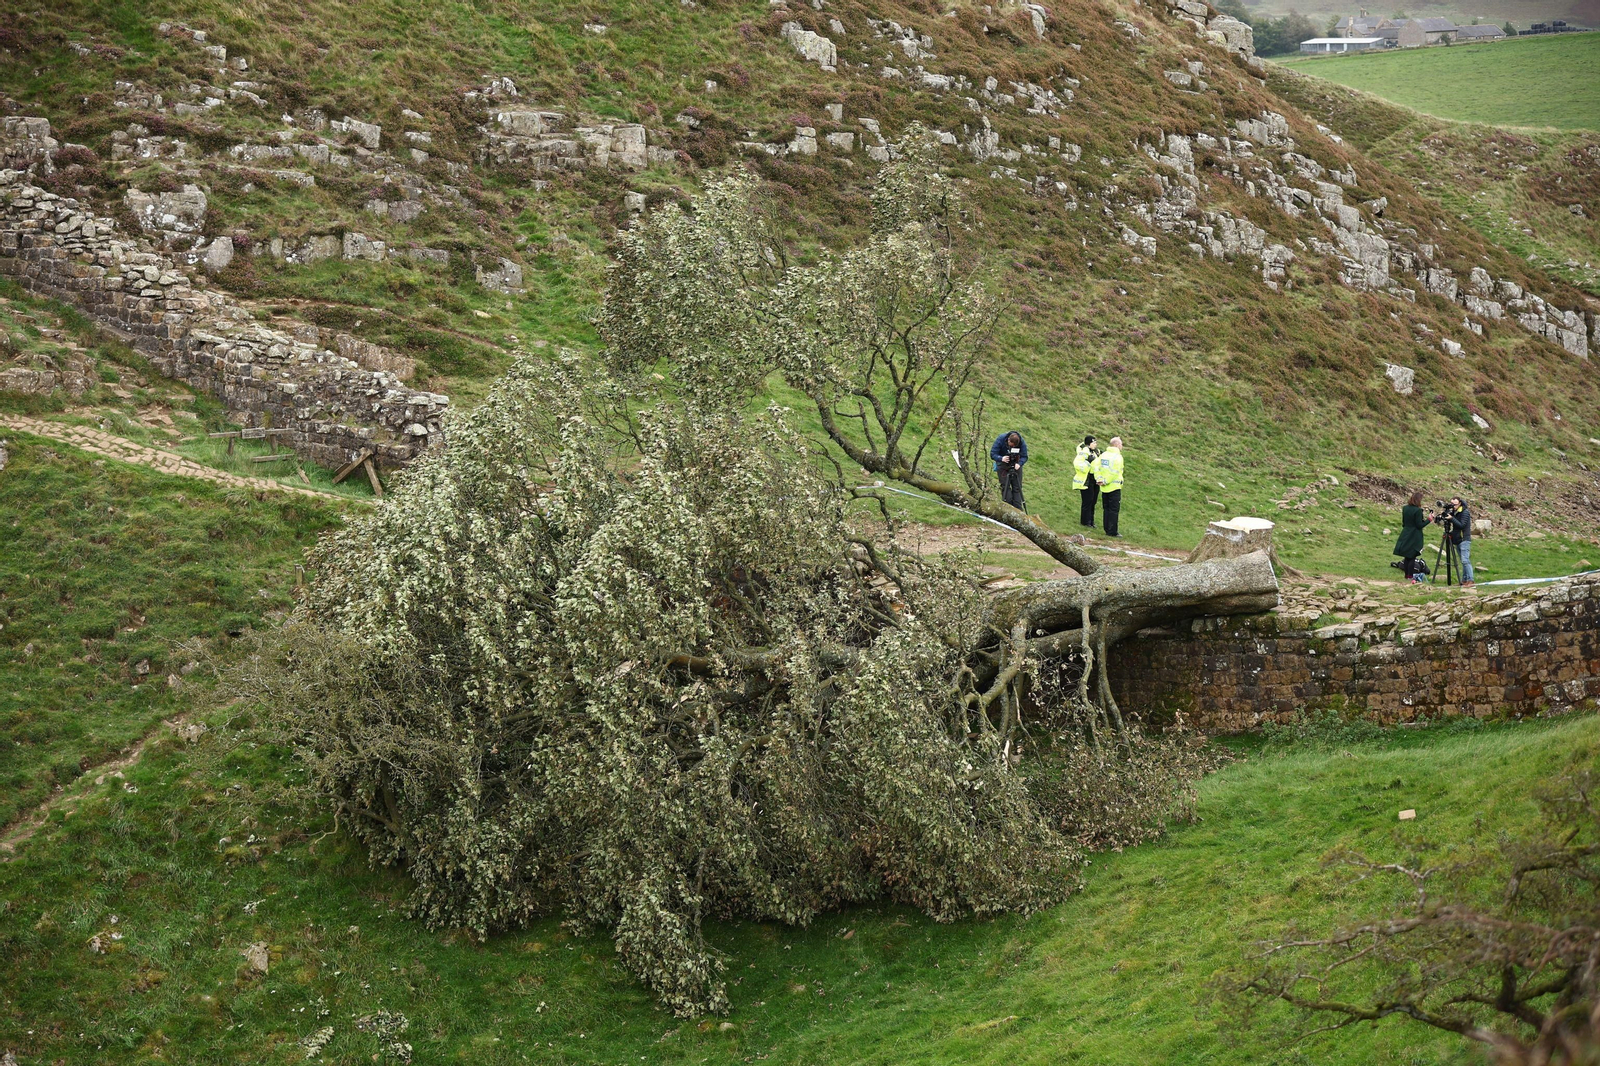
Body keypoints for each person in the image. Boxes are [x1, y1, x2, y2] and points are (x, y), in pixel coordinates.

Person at [1433, 496, 1475, 587]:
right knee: (1462, 561)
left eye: (1454, 504)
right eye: (1452, 504)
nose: (1453, 506)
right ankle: (1464, 581)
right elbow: (1450, 521)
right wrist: (1439, 518)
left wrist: (1451, 518)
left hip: (1464, 539)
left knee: (1465, 560)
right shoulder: (1454, 512)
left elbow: (1461, 525)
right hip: (1457, 539)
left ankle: (1471, 580)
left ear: (1460, 503)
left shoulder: (1465, 512)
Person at [1394, 491, 1428, 582]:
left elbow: (1404, 523)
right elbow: (1419, 525)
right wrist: (1429, 520)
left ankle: (1406, 575)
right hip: (1414, 535)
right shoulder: (1418, 510)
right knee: (1412, 556)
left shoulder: (1405, 508)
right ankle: (1410, 576)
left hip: (1406, 532)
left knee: (1407, 556)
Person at [1094, 437, 1125, 537]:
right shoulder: (1118, 457)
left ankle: (1107, 529)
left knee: (1106, 509)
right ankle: (1112, 531)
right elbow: (1114, 472)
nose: (1122, 446)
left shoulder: (1103, 455)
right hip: (1114, 486)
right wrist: (1106, 481)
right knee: (1114, 510)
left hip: (1103, 487)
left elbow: (1096, 467)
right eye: (1121, 444)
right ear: (1117, 445)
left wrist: (1099, 479)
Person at [990, 430, 1028, 511]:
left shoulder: (1022, 442)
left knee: (1017, 488)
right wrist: (1001, 458)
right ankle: (1008, 509)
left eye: (1014, 446)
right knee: (1005, 487)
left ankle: (1018, 510)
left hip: (1016, 466)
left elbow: (1025, 456)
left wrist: (1020, 463)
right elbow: (993, 454)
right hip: (1003, 466)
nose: (1012, 447)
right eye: (1011, 445)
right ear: (1008, 440)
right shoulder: (1001, 439)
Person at [1074, 435, 1100, 528]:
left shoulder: (1096, 452)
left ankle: (1091, 521)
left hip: (1095, 479)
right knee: (1087, 501)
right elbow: (1077, 464)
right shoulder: (1083, 452)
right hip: (1086, 479)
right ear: (1089, 443)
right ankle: (1085, 521)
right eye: (1094, 442)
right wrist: (1088, 462)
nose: (1096, 444)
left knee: (1093, 501)